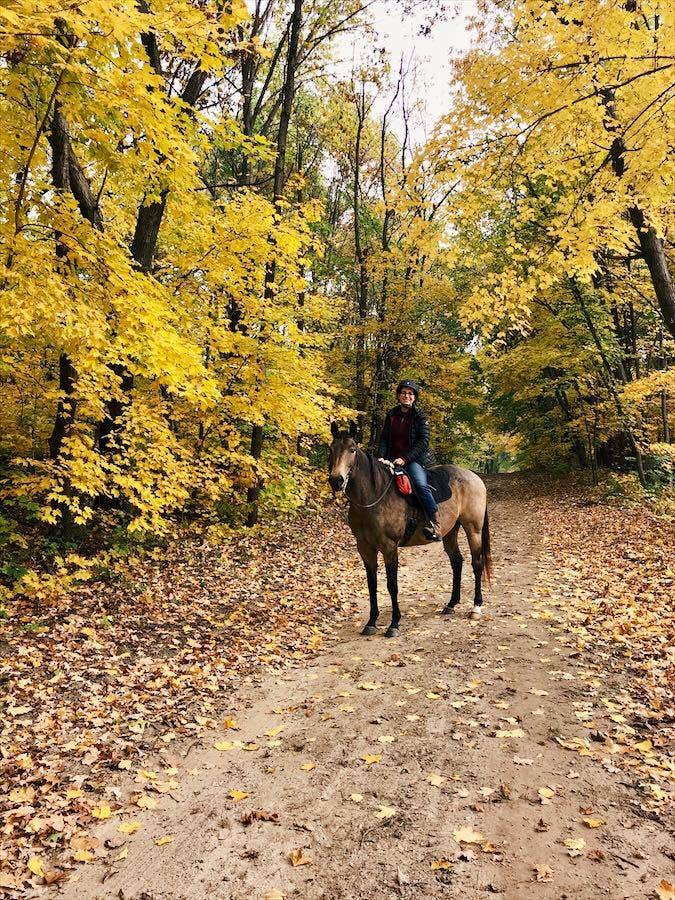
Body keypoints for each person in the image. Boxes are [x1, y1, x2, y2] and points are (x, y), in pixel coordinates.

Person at [377, 380, 441, 541]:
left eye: (410, 393)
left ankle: (435, 523)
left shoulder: (420, 416)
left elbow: (423, 441)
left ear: (414, 398)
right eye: (404, 393)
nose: (407, 396)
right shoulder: (391, 415)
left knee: (420, 485)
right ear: (399, 395)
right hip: (391, 459)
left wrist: (405, 458)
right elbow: (384, 438)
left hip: (414, 460)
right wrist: (382, 457)